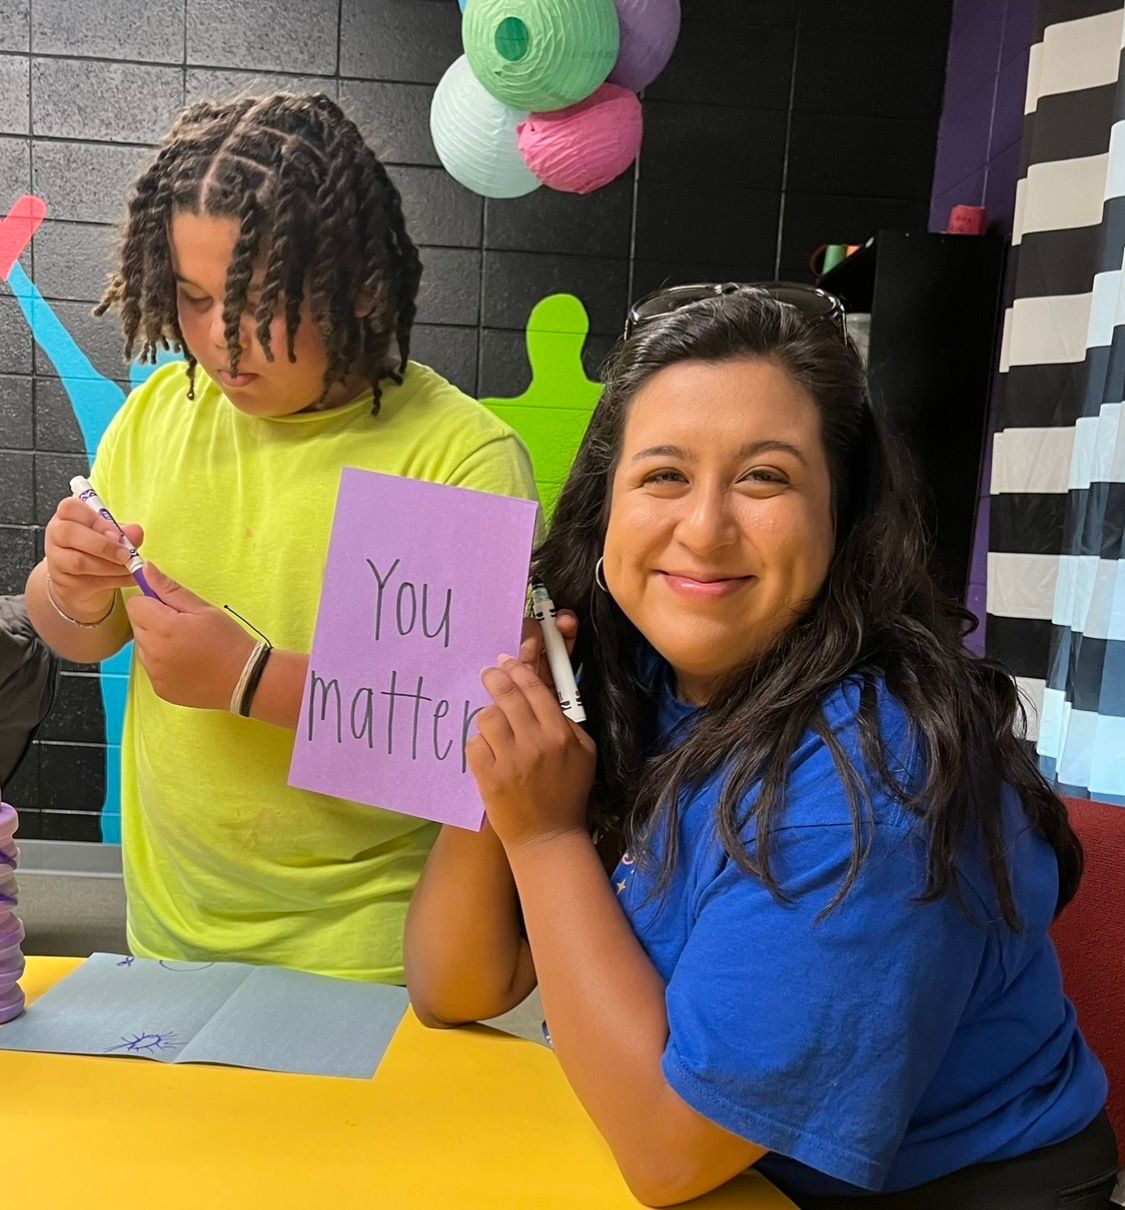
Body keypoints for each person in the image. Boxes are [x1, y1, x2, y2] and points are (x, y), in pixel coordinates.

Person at [405, 285, 1118, 1207]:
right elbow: (451, 987)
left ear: (842, 513)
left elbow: (669, 1154)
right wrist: (509, 748)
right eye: (662, 475)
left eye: (764, 478)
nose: (702, 530)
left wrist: (544, 839)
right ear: (604, 509)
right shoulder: (640, 680)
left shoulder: (874, 777)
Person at [23, 93, 536, 984]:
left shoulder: (457, 456)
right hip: (170, 934)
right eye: (192, 299)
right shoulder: (159, 412)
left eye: (265, 301)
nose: (224, 342)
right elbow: (84, 635)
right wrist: (69, 585)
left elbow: (461, 740)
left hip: (369, 953)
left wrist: (248, 679)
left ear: (363, 288)